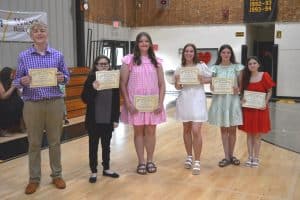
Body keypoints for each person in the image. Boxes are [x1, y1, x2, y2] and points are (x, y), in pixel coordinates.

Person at [13, 21, 70, 194]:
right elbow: (16, 81)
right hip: (32, 104)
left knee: (55, 142)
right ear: (31, 35)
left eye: (42, 30)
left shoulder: (57, 55)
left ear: (47, 34)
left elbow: (66, 76)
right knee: (34, 143)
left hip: (54, 103)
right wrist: (22, 81)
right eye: (36, 31)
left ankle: (57, 175)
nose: (39, 33)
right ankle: (34, 179)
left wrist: (62, 78)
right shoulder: (23, 56)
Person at [120, 32, 166, 175]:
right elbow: (122, 83)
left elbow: (162, 84)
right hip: (136, 104)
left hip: (152, 104)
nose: (144, 43)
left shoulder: (156, 62)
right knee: (138, 132)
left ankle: (150, 160)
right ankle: (141, 161)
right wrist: (127, 102)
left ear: (150, 44)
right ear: (137, 44)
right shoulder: (129, 60)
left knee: (151, 132)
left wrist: (160, 102)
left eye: (146, 41)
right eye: (141, 41)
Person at [81, 55, 120, 183]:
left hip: (108, 119)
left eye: (106, 64)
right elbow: (85, 99)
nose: (103, 66)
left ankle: (106, 168)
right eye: (101, 64)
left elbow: (116, 101)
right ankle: (93, 171)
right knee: (93, 146)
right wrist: (93, 88)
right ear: (96, 65)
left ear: (109, 65)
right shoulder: (91, 78)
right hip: (94, 119)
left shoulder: (113, 79)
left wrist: (115, 119)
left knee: (106, 145)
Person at [174, 43, 212, 175]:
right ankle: (189, 156)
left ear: (194, 53)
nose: (189, 53)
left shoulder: (201, 65)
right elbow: (178, 87)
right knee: (186, 129)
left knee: (196, 130)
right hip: (185, 99)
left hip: (198, 99)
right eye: (186, 51)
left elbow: (212, 78)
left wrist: (203, 80)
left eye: (191, 51)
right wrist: (177, 82)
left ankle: (197, 160)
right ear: (184, 53)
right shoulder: (180, 68)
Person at [208, 44, 244, 167]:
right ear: (220, 54)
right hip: (220, 100)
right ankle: (226, 156)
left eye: (228, 52)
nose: (226, 55)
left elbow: (241, 85)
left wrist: (238, 89)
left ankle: (232, 155)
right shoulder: (214, 68)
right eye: (224, 52)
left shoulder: (237, 67)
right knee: (223, 129)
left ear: (231, 54)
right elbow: (212, 86)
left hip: (232, 100)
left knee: (233, 129)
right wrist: (212, 87)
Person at [238, 56, 275, 167]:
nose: (252, 65)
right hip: (248, 109)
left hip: (260, 109)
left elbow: (269, 91)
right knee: (249, 134)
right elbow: (242, 93)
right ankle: (250, 157)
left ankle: (256, 158)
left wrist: (265, 102)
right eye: (250, 64)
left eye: (254, 63)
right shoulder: (245, 77)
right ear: (248, 66)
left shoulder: (265, 75)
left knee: (258, 135)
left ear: (258, 65)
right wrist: (242, 99)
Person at [0, 67, 24, 136]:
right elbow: (3, 96)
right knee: (9, 109)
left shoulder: (12, 81)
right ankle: (3, 130)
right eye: (11, 74)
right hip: (4, 103)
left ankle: (21, 127)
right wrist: (12, 87)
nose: (12, 75)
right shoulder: (1, 83)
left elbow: (20, 94)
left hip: (14, 102)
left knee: (21, 104)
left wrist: (17, 87)